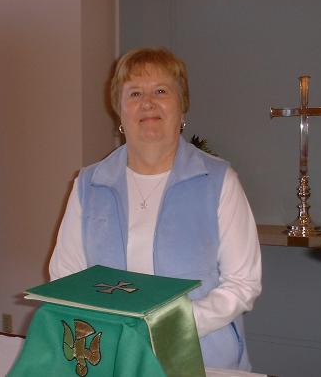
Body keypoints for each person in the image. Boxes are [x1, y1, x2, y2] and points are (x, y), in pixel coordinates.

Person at [49, 47, 262, 371]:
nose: (147, 102)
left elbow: (243, 283)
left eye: (161, 91)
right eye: (134, 93)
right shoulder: (89, 184)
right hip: (110, 356)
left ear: (182, 105)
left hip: (200, 358)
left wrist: (164, 330)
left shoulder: (218, 181)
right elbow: (65, 277)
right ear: (119, 111)